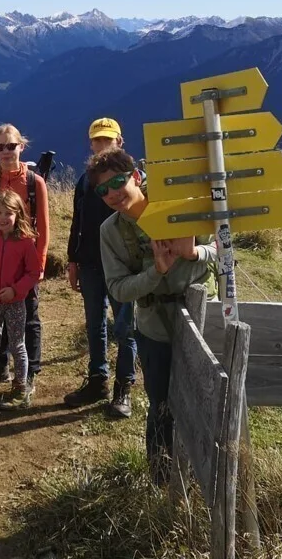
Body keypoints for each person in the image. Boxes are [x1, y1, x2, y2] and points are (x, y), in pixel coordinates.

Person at [90, 147, 217, 485]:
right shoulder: (111, 231)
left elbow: (223, 250)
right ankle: (162, 482)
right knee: (162, 405)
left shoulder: (177, 203)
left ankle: (208, 477)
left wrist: (194, 252)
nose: (113, 194)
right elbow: (117, 289)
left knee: (209, 398)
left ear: (135, 176)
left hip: (205, 317)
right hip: (154, 326)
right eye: (103, 190)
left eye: (117, 183)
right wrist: (155, 272)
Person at [64, 118, 137, 418]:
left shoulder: (133, 179)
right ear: (91, 144)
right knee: (95, 325)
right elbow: (77, 222)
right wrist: (73, 260)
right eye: (97, 140)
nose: (102, 145)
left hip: (123, 265)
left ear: (120, 142)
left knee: (125, 327)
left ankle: (124, 389)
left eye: (108, 140)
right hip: (92, 263)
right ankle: (98, 381)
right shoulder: (85, 181)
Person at [0, 123, 50, 395]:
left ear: (21, 147)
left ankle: (29, 374)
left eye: (11, 146)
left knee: (27, 317)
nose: (6, 151)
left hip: (25, 261)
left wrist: (38, 266)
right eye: (0, 147)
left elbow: (44, 227)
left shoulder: (34, 182)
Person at [0, 189, 42, 410]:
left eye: (7, 214)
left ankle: (21, 387)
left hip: (15, 303)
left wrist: (15, 290)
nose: (2, 218)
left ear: (18, 215)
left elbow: (34, 271)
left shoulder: (25, 242)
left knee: (16, 344)